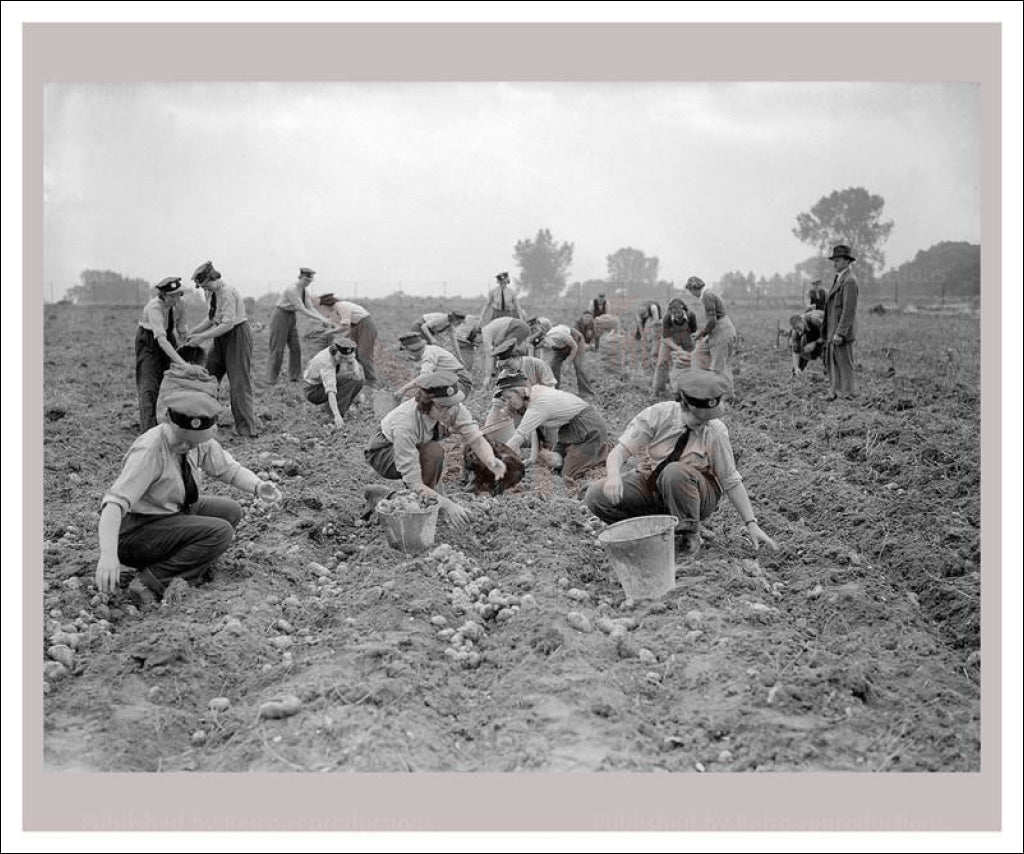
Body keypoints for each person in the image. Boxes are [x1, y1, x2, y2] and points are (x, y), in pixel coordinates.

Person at [95, 387, 282, 606]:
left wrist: (258, 486)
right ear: (168, 422)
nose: (186, 446)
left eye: (192, 444)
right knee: (220, 532)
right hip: (137, 531)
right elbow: (114, 504)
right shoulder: (149, 451)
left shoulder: (199, 442)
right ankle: (150, 581)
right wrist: (108, 555)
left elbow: (229, 470)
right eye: (181, 440)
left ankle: (186, 561)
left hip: (171, 514)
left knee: (230, 511)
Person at [584, 369, 777, 557]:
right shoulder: (657, 415)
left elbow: (731, 480)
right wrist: (613, 476)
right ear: (683, 406)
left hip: (697, 493)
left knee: (674, 472)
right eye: (698, 419)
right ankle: (649, 531)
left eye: (708, 419)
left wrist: (751, 523)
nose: (704, 424)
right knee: (596, 496)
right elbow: (619, 452)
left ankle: (687, 538)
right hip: (655, 485)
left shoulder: (715, 431)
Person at [363, 371, 507, 527]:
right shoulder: (405, 423)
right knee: (432, 453)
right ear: (427, 403)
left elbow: (476, 440)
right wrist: (447, 506)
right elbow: (414, 483)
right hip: (383, 450)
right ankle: (398, 499)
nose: (451, 411)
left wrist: (492, 463)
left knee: (432, 457)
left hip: (419, 445)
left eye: (453, 404)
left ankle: (403, 499)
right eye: (444, 407)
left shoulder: (452, 409)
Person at [185, 261, 260, 438]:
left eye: (206, 285)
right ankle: (206, 422)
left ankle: (246, 430)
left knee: (238, 383)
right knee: (208, 377)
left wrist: (202, 338)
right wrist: (195, 331)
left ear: (214, 278)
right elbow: (212, 318)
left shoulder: (227, 292)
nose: (204, 289)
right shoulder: (210, 292)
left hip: (237, 335)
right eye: (202, 287)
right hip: (220, 337)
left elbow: (227, 324)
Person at [495, 373, 609, 483]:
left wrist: (494, 459)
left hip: (588, 427)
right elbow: (533, 429)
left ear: (520, 391)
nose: (508, 402)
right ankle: (585, 454)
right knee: (554, 463)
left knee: (569, 475)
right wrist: (532, 459)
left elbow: (519, 437)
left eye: (509, 397)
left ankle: (604, 452)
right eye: (505, 399)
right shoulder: (533, 393)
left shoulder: (538, 404)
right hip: (569, 427)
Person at [135, 276, 189, 432]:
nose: (175, 299)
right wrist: (182, 363)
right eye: (171, 296)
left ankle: (170, 425)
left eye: (178, 295)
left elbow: (182, 331)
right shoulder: (154, 308)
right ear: (163, 296)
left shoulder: (180, 305)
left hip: (168, 337)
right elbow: (161, 340)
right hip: (149, 341)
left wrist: (189, 343)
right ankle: (149, 430)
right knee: (149, 386)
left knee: (171, 381)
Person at [266, 267, 336, 385]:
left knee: (295, 348)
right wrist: (321, 319)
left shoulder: (304, 291)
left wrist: (323, 319)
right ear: (300, 278)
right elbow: (302, 309)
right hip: (280, 316)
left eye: (310, 281)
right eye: (306, 280)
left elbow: (310, 307)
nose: (307, 283)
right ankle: (271, 379)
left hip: (291, 316)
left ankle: (294, 377)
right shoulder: (292, 290)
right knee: (277, 348)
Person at [481, 337, 557, 444]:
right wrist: (485, 432)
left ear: (517, 357)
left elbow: (551, 391)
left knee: (550, 437)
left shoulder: (537, 364)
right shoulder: (504, 375)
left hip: (543, 407)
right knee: (502, 419)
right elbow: (496, 406)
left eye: (509, 364)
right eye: (504, 366)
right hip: (519, 411)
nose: (507, 369)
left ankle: (548, 443)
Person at [685, 276, 738, 394]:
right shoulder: (707, 295)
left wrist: (700, 334)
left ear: (694, 288)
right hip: (716, 331)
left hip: (722, 331)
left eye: (690, 290)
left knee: (719, 368)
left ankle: (726, 397)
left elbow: (712, 321)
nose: (691, 294)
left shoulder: (707, 296)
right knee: (697, 355)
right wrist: (703, 334)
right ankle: (702, 386)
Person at [316, 293, 379, 389]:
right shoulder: (333, 311)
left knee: (364, 354)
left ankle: (372, 381)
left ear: (327, 304)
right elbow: (338, 325)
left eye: (324, 305)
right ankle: (357, 377)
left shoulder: (341, 307)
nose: (323, 308)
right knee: (352, 352)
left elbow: (345, 326)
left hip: (365, 324)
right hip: (354, 326)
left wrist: (331, 332)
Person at [822, 244, 860, 401]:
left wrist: (840, 333)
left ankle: (849, 395)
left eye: (837, 260)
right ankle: (834, 392)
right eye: (834, 260)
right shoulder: (840, 278)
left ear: (847, 261)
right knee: (834, 362)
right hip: (833, 329)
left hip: (841, 331)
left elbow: (848, 311)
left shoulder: (849, 281)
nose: (834, 264)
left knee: (845, 363)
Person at [302, 336, 365, 430]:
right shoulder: (326, 363)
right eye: (341, 358)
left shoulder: (340, 351)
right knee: (351, 379)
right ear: (334, 351)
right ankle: (333, 417)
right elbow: (331, 392)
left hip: (321, 384)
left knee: (358, 378)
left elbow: (352, 359)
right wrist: (337, 415)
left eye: (345, 358)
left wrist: (355, 367)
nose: (343, 361)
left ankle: (343, 406)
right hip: (312, 391)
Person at [394, 333, 474, 401]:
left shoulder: (428, 355)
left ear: (410, 349)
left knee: (426, 401)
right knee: (419, 399)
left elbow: (424, 377)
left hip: (460, 382)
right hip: (453, 381)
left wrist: (404, 389)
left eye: (407, 352)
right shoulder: (430, 349)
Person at [155, 344, 218, 425]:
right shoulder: (210, 382)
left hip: (171, 426)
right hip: (202, 427)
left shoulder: (170, 378)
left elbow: (160, 415)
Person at [652, 297, 699, 396]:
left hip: (686, 339)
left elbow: (694, 333)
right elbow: (666, 338)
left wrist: (694, 347)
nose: (677, 316)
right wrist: (678, 349)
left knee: (691, 362)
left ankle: (690, 390)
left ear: (683, 309)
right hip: (670, 340)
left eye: (679, 313)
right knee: (662, 362)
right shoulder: (667, 318)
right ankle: (659, 391)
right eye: (674, 313)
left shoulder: (691, 316)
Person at [542, 321, 596, 399]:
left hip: (575, 340)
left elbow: (574, 347)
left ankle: (587, 393)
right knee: (553, 366)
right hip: (560, 346)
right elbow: (547, 356)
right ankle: (554, 391)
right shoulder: (546, 340)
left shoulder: (561, 336)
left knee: (578, 366)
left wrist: (568, 363)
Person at [479, 315, 532, 388]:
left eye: (476, 340)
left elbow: (489, 356)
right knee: (505, 353)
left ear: (477, 334)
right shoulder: (488, 331)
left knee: (507, 353)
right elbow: (495, 352)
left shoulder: (485, 334)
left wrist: (487, 376)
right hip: (519, 326)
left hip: (518, 327)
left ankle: (516, 378)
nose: (478, 343)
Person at [788, 309, 826, 377]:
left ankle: (828, 370)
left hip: (826, 329)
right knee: (803, 347)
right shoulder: (796, 332)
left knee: (825, 347)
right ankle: (796, 373)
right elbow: (795, 351)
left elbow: (827, 335)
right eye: (795, 329)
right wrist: (796, 368)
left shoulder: (814, 320)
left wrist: (815, 343)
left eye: (798, 327)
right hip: (811, 332)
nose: (798, 331)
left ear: (802, 321)